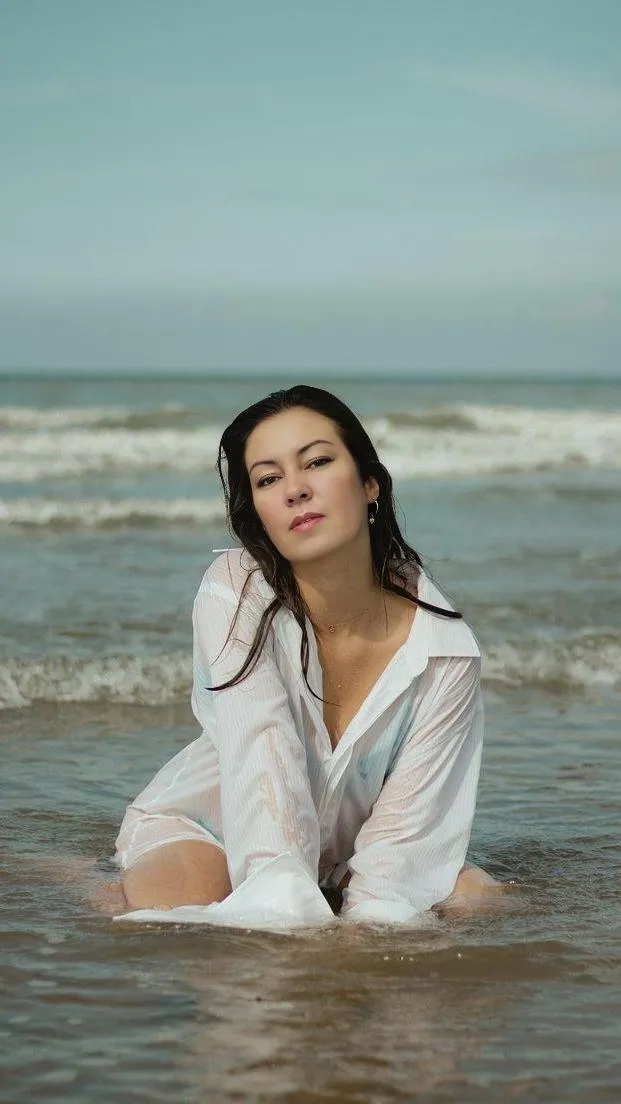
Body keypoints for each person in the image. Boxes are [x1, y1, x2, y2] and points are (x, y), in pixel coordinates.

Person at [114, 384, 503, 927]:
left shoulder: (445, 651)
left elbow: (409, 829)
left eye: (317, 462)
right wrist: (283, 904)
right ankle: (94, 881)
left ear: (370, 483)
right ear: (260, 513)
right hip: (216, 828)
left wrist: (371, 914)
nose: (295, 490)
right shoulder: (236, 592)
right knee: (180, 906)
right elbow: (262, 755)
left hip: (347, 852)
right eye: (269, 479)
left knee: (473, 900)